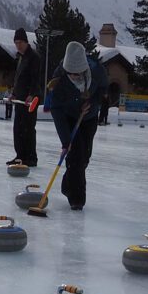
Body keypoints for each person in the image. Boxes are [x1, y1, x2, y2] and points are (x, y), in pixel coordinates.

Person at [49, 41, 108, 211]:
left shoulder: (97, 70)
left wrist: (92, 102)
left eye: (77, 74)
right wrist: (65, 140)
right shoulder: (59, 77)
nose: (73, 77)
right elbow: (55, 108)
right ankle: (77, 199)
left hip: (89, 117)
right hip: (68, 116)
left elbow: (103, 89)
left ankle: (68, 185)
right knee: (75, 154)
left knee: (84, 157)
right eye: (70, 73)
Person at [7, 28, 41, 167]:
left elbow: (35, 78)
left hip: (30, 100)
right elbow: (18, 78)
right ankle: (20, 156)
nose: (18, 45)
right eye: (16, 43)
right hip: (20, 99)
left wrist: (32, 94)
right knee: (18, 129)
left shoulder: (34, 57)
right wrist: (14, 93)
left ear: (26, 42)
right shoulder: (20, 57)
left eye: (20, 42)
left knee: (28, 128)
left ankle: (31, 157)